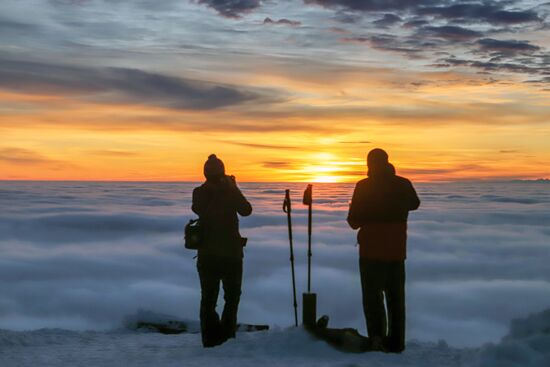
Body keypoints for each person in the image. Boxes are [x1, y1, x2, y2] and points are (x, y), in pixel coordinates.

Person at [347, 148, 420, 353]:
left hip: (370, 252)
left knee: (372, 300)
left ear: (369, 164)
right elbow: (415, 203)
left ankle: (377, 340)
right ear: (387, 162)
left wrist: (368, 211)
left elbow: (353, 221)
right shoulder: (402, 184)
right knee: (396, 300)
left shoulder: (364, 186)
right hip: (396, 252)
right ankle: (396, 343)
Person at [192, 154, 252, 347]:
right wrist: (232, 188)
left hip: (207, 254)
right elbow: (246, 209)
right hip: (231, 254)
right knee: (232, 298)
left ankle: (210, 339)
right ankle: (226, 337)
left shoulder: (199, 192)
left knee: (208, 299)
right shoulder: (228, 192)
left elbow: (198, 209)